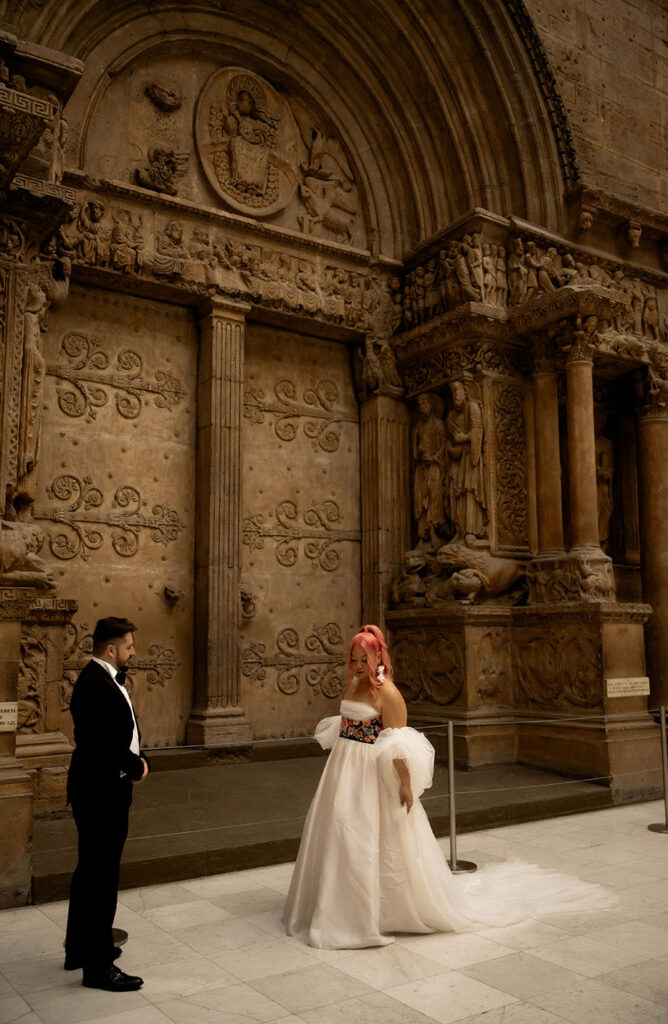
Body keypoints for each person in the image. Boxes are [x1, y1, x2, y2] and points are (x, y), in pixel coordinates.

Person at [283, 625, 614, 949]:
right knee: (340, 830)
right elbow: (345, 727)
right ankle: (335, 901)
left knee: (369, 834)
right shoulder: (352, 683)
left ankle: (375, 911)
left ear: (378, 659)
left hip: (371, 771)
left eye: (363, 660)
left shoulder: (388, 694)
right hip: (343, 769)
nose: (357, 665)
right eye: (353, 659)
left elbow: (395, 743)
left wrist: (406, 784)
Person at [64, 616, 149, 991]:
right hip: (100, 792)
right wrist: (137, 767)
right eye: (129, 646)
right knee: (101, 878)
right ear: (111, 649)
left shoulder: (102, 678)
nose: (134, 652)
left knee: (91, 872)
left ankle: (81, 948)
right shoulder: (96, 684)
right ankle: (97, 969)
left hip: (101, 788)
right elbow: (103, 743)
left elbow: (119, 730)